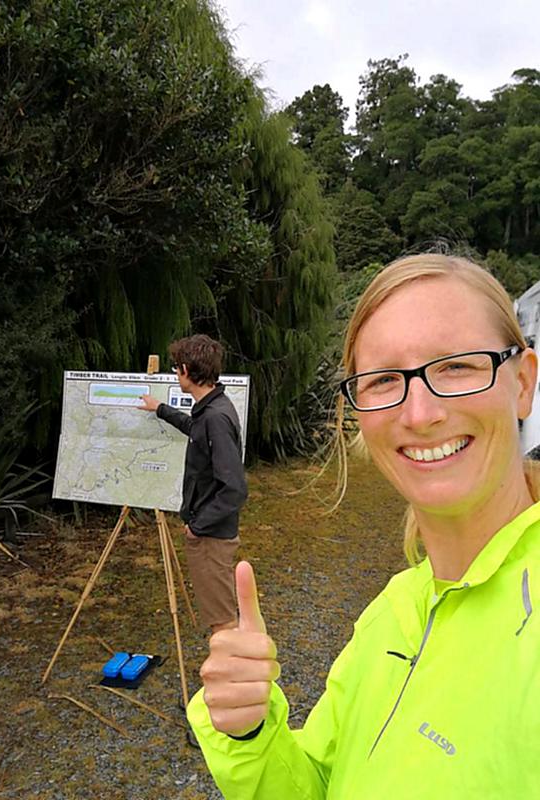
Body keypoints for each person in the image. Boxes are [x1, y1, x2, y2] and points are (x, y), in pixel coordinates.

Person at [186, 254, 540, 798]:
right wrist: (252, 735)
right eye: (383, 380)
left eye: (457, 366)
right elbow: (317, 784)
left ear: (522, 382)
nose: (420, 413)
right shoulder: (392, 610)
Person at [138, 334, 247, 634]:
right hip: (210, 533)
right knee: (219, 614)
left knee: (222, 621)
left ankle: (228, 677)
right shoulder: (211, 409)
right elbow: (193, 429)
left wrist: (198, 526)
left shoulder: (215, 417)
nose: (175, 374)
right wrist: (160, 409)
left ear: (186, 370)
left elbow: (235, 489)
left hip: (212, 538)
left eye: (176, 368)